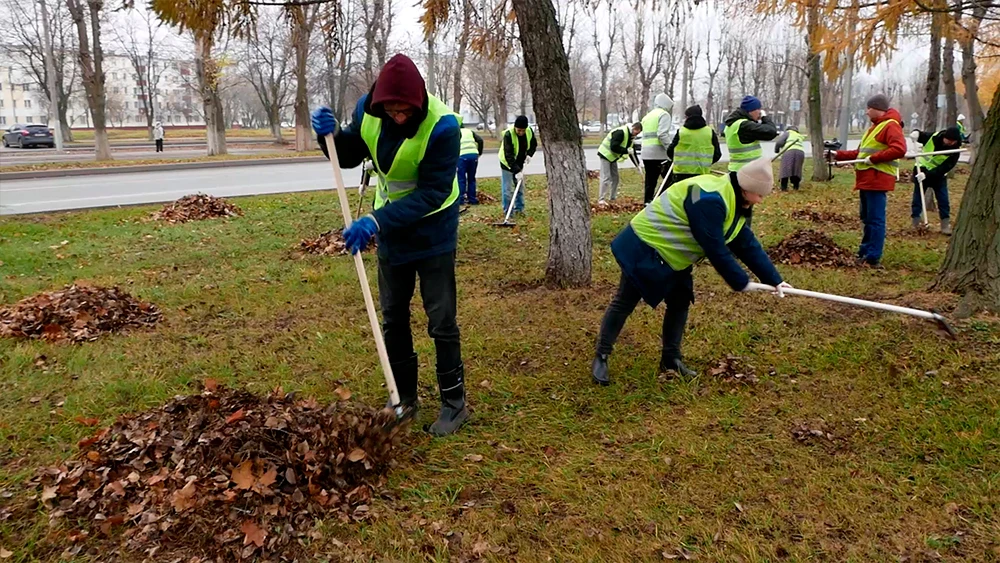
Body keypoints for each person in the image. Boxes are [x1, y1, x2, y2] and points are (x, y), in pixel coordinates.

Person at [310, 53, 468, 436]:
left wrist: (375, 220)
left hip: (433, 232)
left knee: (441, 319)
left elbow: (432, 192)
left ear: (418, 102)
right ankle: (404, 398)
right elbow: (349, 154)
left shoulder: (443, 127)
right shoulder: (369, 109)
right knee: (394, 316)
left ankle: (454, 403)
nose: (398, 117)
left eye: (404, 111)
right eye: (391, 111)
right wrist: (328, 135)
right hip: (393, 233)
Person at [590, 156, 791, 385]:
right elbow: (714, 247)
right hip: (645, 246)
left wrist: (775, 280)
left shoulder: (733, 200)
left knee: (680, 302)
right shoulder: (709, 200)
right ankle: (601, 356)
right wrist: (739, 281)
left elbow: (745, 243)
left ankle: (671, 359)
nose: (761, 201)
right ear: (747, 189)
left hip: (674, 257)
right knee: (624, 301)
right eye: (760, 195)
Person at [828, 94, 906, 267]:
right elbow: (860, 153)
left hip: (877, 179)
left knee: (875, 219)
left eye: (868, 108)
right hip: (867, 179)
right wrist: (838, 155)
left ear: (877, 108)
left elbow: (899, 149)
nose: (866, 112)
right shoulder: (874, 128)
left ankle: (872, 257)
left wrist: (875, 159)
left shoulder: (890, 126)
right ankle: (864, 251)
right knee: (867, 218)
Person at [909, 126, 962, 234]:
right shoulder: (932, 137)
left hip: (938, 177)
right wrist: (915, 133)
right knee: (917, 199)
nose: (950, 143)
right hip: (921, 170)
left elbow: (944, 168)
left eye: (953, 141)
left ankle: (945, 225)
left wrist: (927, 175)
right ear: (944, 137)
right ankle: (916, 223)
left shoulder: (955, 151)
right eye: (948, 140)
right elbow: (920, 135)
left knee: (943, 200)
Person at [665, 104, 722, 186]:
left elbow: (670, 151)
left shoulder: (681, 132)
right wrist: (706, 163)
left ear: (688, 117)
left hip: (681, 174)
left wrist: (678, 161)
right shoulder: (709, 132)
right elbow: (717, 154)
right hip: (702, 173)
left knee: (682, 197)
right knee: (698, 197)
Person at [724, 96, 778, 172]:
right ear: (751, 110)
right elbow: (771, 132)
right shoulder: (744, 125)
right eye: (758, 109)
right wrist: (764, 117)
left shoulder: (732, 124)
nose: (760, 112)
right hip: (747, 172)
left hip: (736, 169)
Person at [640, 93, 675, 203]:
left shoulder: (647, 116)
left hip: (646, 153)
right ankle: (659, 201)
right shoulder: (664, 115)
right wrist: (670, 149)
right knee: (669, 180)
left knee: (650, 180)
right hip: (659, 154)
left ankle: (648, 201)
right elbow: (662, 134)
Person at [499, 115, 537, 214]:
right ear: (515, 127)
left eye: (523, 130)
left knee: (519, 188)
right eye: (519, 130)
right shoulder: (508, 134)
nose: (521, 132)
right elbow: (509, 155)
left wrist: (529, 155)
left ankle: (519, 209)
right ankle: (508, 212)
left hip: (520, 162)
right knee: (507, 190)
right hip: (507, 164)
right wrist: (516, 171)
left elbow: (533, 144)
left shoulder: (529, 131)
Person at [597, 122, 642, 204]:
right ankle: (601, 199)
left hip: (612, 157)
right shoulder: (620, 132)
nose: (636, 135)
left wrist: (637, 165)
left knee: (615, 178)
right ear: (634, 128)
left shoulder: (631, 137)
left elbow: (632, 152)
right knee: (606, 177)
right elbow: (614, 146)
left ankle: (612, 198)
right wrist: (626, 151)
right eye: (636, 132)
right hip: (605, 154)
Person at [773, 125, 806, 191]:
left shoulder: (788, 133)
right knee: (796, 170)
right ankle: (796, 187)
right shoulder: (799, 135)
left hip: (789, 152)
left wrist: (776, 150)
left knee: (785, 169)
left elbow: (779, 142)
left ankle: (784, 188)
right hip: (800, 153)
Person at [458, 125, 484, 205]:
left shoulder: (456, 132)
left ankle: (461, 200)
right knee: (471, 179)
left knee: (461, 179)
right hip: (473, 155)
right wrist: (479, 152)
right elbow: (480, 140)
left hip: (462, 156)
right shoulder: (469, 131)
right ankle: (472, 199)